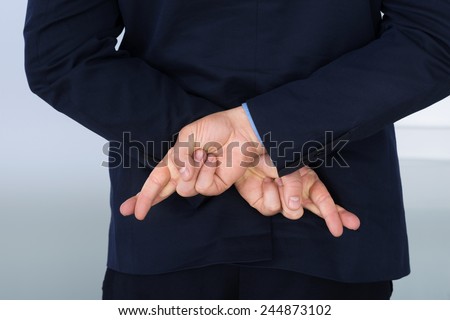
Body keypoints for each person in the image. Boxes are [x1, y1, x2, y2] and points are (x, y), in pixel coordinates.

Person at [24, 0, 450, 300]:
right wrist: (255, 134)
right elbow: (433, 37)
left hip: (173, 207)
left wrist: (224, 143)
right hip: (329, 213)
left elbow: (61, 54)